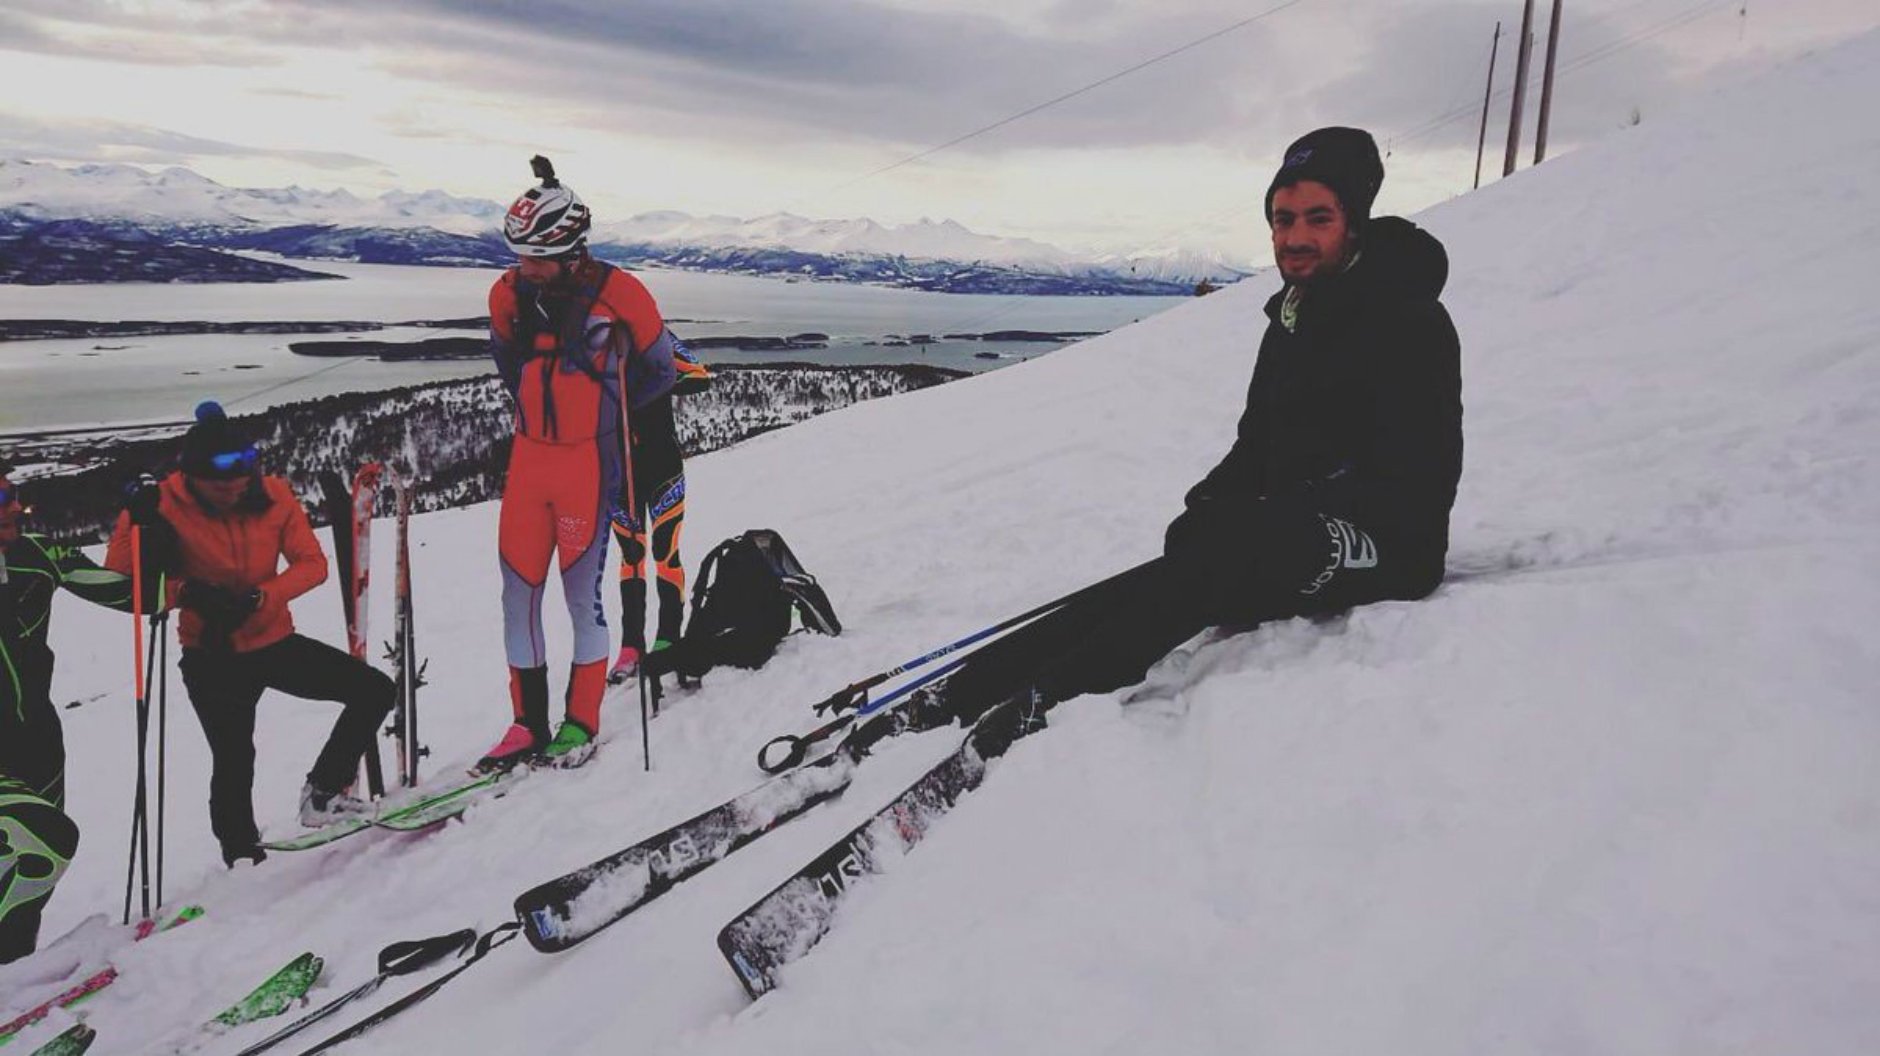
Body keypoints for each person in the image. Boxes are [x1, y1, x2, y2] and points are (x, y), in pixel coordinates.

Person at [937, 127, 1463, 735]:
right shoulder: (1294, 318)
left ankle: (1042, 702)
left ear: (1355, 221)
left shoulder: (1409, 321)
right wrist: (1211, 501)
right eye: (1282, 219)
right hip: (1294, 526)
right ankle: (970, 688)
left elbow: (1413, 481)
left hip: (1392, 545)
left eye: (1317, 218)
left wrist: (1271, 515)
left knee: (1230, 556)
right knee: (1176, 563)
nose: (1294, 238)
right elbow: (1258, 444)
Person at [479, 156, 709, 772]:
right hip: (529, 467)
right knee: (516, 596)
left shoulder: (621, 292)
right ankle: (526, 722)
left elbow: (658, 368)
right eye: (519, 256)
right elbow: (509, 368)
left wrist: (608, 426)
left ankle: (579, 722)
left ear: (570, 249)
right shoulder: (507, 295)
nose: (524, 269)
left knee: (583, 598)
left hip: (585, 466)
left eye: (535, 258)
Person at [103, 403, 396, 867]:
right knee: (235, 757)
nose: (232, 490)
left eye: (240, 479)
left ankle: (322, 793)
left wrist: (264, 596)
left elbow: (312, 565)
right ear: (192, 477)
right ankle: (240, 855)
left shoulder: (275, 495)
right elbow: (124, 586)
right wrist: (181, 586)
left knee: (374, 690)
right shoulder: (160, 504)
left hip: (273, 639)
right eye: (219, 484)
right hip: (211, 653)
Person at [0, 457, 176, 962]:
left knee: (28, 875)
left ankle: (13, 979)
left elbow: (140, 596)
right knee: (48, 843)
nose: (14, 508)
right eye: (1, 501)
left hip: (37, 741)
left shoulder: (41, 554)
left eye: (13, 495)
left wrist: (145, 527)